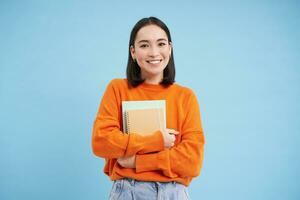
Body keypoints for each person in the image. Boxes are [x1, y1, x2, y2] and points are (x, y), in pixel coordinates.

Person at [92, 16, 205, 200]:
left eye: (161, 44)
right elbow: (101, 142)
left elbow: (192, 161)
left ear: (170, 48)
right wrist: (158, 141)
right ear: (133, 52)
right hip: (129, 190)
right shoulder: (117, 89)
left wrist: (137, 161)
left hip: (174, 194)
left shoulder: (186, 96)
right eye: (144, 45)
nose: (154, 52)